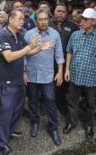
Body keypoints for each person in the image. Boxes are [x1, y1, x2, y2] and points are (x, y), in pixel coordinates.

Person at [0, 9, 53, 155]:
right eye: (20, 19)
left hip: (18, 80)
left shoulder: (19, 35)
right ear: (11, 19)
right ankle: (2, 142)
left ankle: (10, 131)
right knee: (6, 112)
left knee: (17, 109)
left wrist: (40, 48)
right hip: (6, 82)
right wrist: (29, 47)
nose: (23, 21)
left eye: (23, 19)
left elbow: (26, 52)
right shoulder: (3, 35)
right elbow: (8, 57)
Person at [63, 8, 96, 139]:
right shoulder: (75, 35)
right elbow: (69, 52)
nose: (81, 21)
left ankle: (89, 125)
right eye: (81, 18)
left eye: (85, 19)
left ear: (93, 22)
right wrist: (67, 69)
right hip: (75, 74)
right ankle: (71, 122)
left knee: (90, 103)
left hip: (91, 76)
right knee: (72, 101)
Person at [24, 8, 64, 146]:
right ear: (36, 21)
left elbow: (59, 55)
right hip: (32, 75)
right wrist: (23, 72)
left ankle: (53, 128)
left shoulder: (55, 34)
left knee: (50, 102)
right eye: (40, 19)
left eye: (45, 19)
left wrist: (60, 72)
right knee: (33, 101)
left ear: (49, 20)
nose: (43, 22)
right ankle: (35, 122)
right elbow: (24, 54)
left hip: (47, 76)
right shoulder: (29, 35)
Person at [49, 3, 79, 115]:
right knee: (48, 85)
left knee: (62, 86)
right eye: (58, 11)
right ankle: (46, 104)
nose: (61, 13)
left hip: (65, 63)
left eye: (63, 12)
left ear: (67, 14)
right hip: (49, 62)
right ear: (54, 12)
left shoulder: (73, 27)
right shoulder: (47, 23)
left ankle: (61, 104)